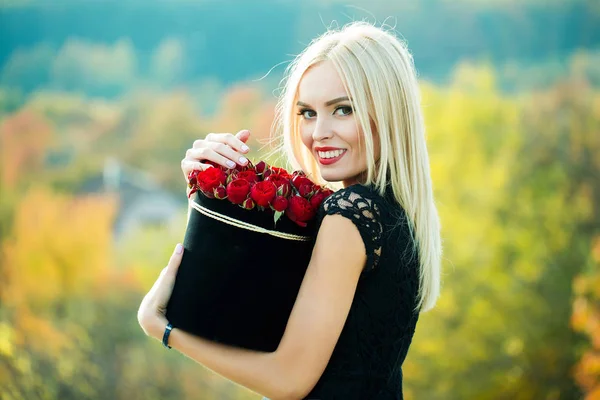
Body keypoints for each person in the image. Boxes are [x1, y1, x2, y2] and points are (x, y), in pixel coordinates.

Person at [138, 21, 442, 399]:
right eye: (308, 113)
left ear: (388, 113)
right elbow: (255, 302)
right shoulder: (390, 216)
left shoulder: (350, 215)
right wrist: (207, 188)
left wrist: (164, 330)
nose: (318, 133)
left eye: (342, 110)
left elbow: (288, 379)